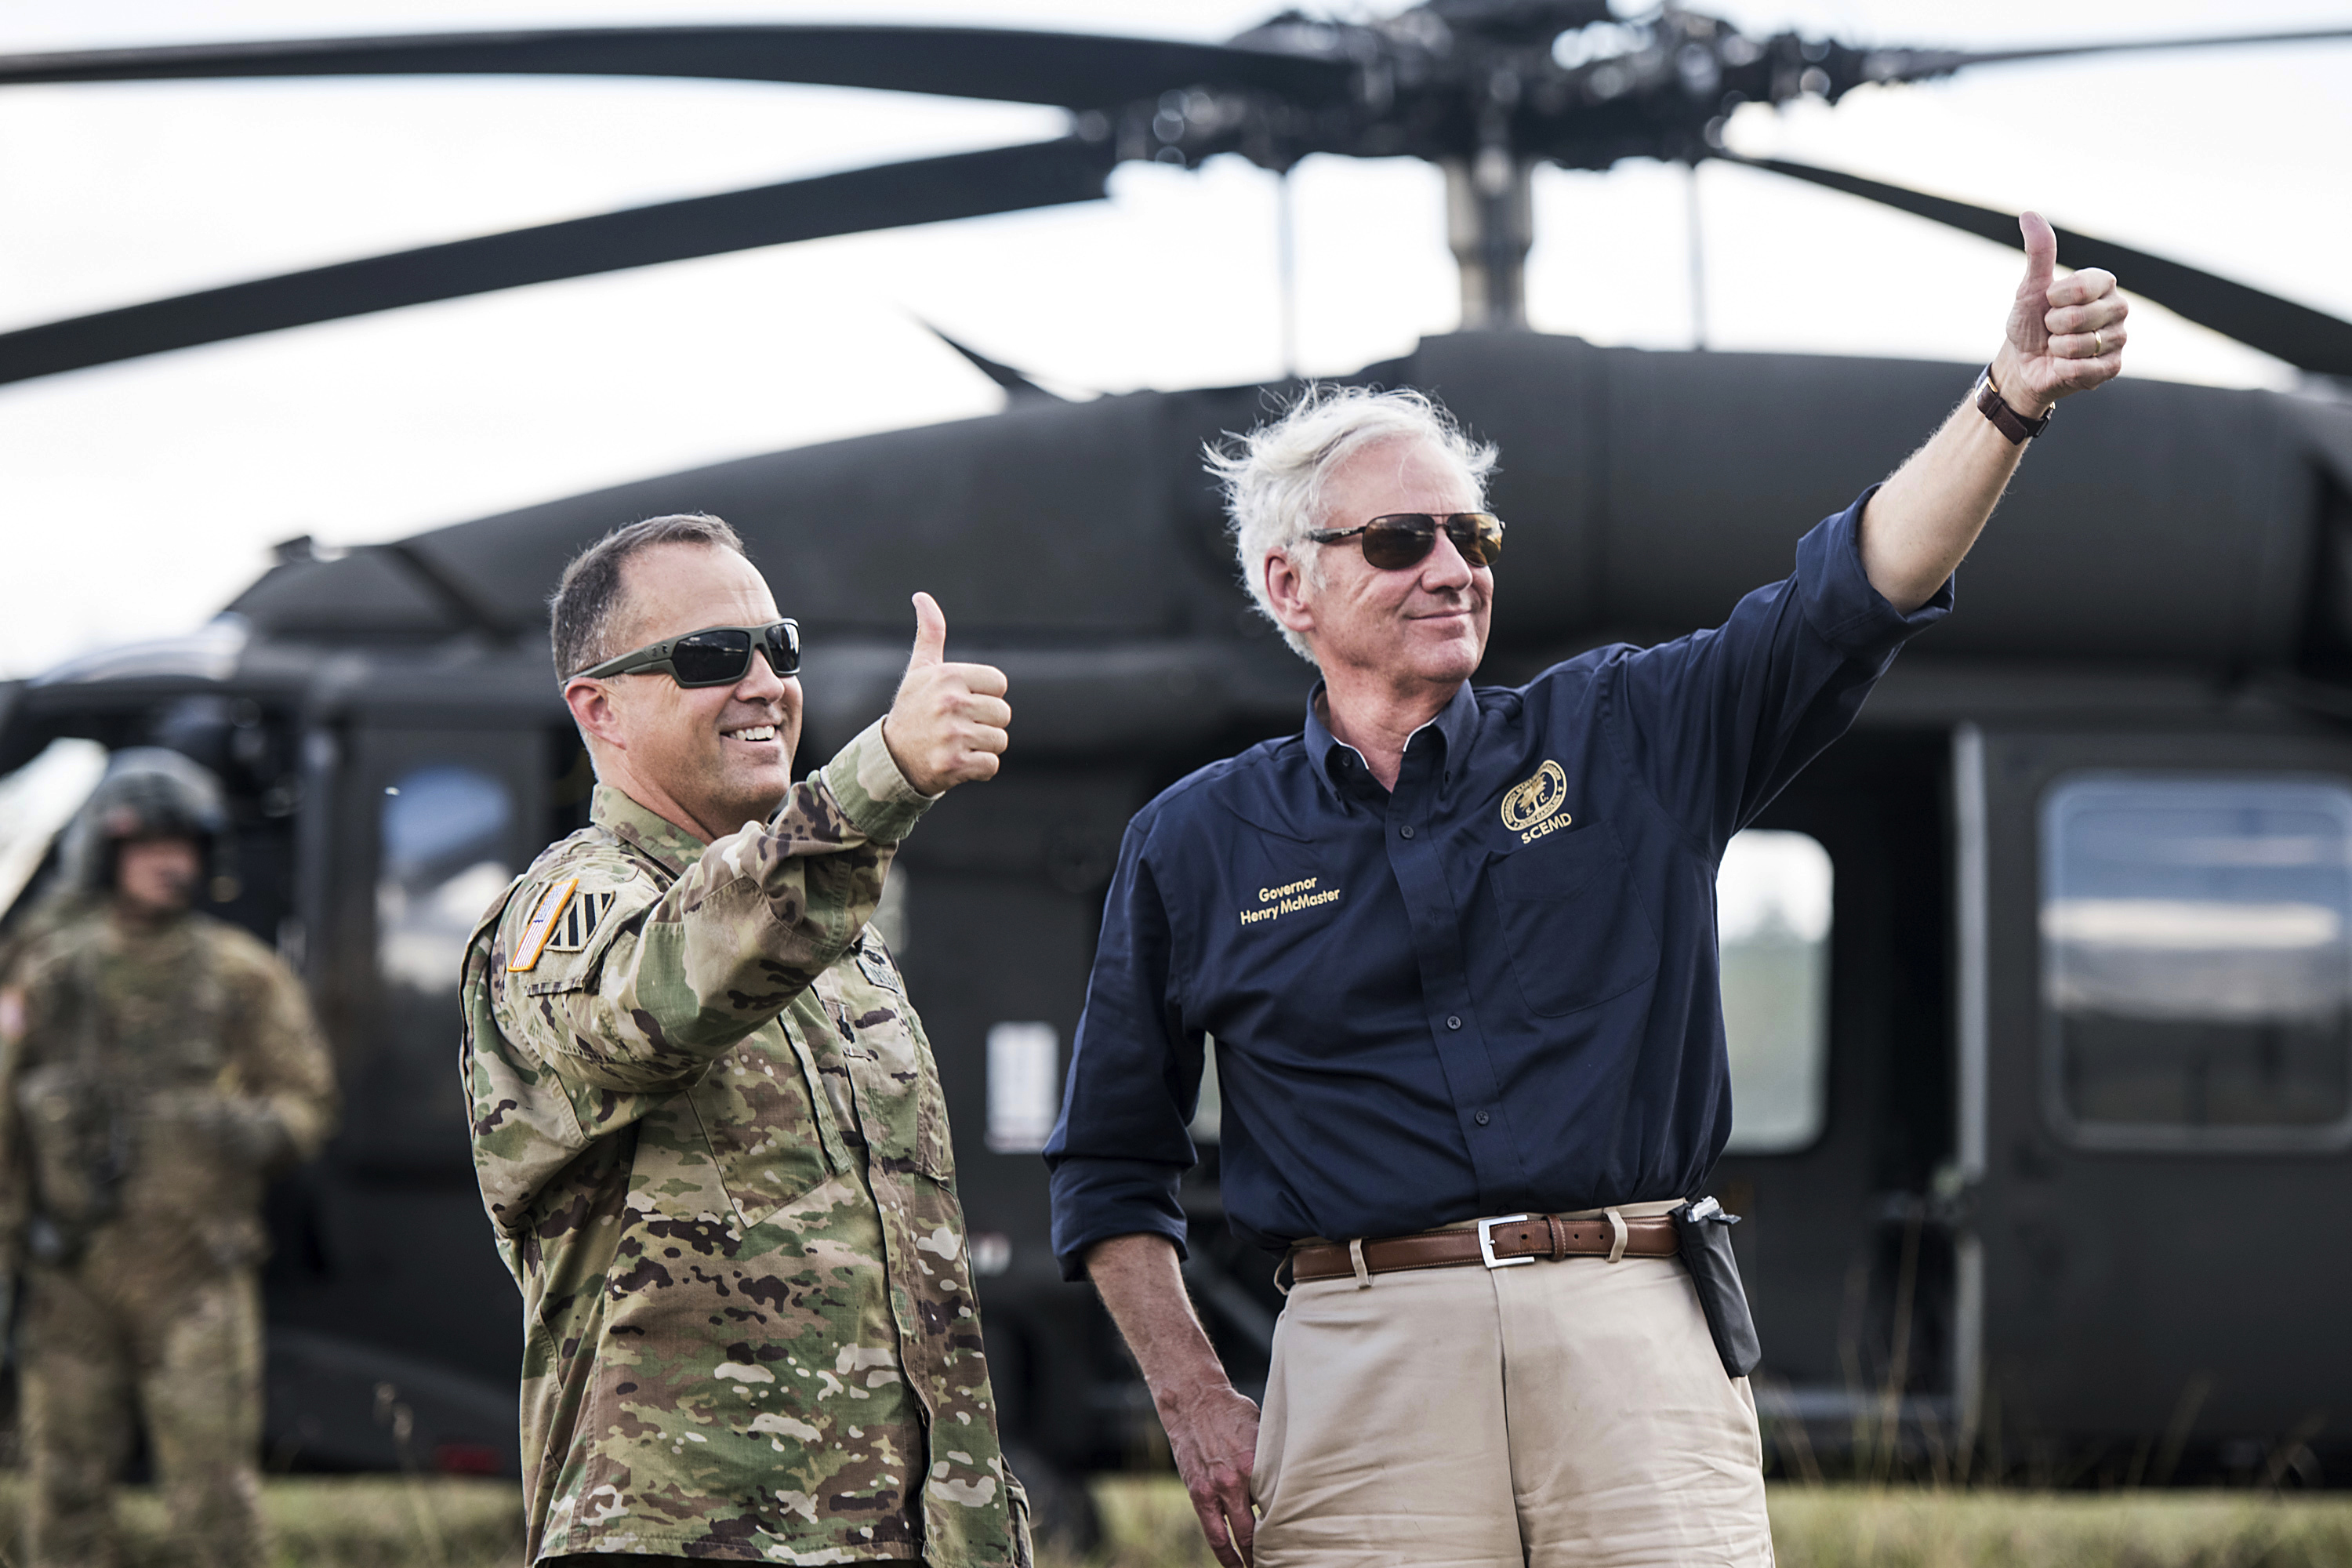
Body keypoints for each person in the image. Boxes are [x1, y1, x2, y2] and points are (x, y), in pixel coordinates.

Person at [1045, 214, 2127, 1566]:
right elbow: (1109, 1165)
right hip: (1364, 1363)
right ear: (1291, 586)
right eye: (1399, 541)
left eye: (1470, 533)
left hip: (1636, 1338)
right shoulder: (1193, 842)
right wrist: (1194, 1395)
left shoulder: (1628, 733)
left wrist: (2006, 404)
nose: (1452, 565)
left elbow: (1849, 595)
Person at [459, 514, 1026, 1565]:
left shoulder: (832, 943)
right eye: (715, 655)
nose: (765, 681)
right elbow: (662, 999)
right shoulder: (570, 914)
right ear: (600, 708)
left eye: (782, 648)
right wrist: (883, 777)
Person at [0, 749, 339, 1568]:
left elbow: (306, 1102)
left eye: (182, 845)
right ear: (108, 853)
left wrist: (237, 1129)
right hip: (69, 1274)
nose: (167, 862)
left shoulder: (238, 973)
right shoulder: (47, 969)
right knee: (65, 1492)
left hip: (194, 1277)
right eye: (148, 845)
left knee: (213, 1498)